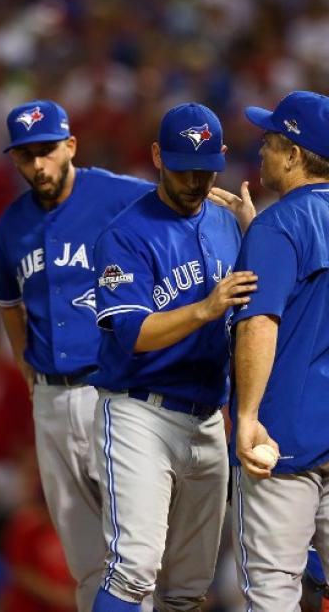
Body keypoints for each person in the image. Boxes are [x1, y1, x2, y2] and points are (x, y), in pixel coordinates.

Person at [228, 91, 329, 612]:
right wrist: (258, 233)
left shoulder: (278, 226)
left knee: (273, 587)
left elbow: (260, 323)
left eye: (271, 142)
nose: (262, 151)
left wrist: (248, 414)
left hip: (288, 429)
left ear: (295, 154)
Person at [89, 102, 256, 612]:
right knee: (134, 568)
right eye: (183, 168)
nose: (195, 181)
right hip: (142, 411)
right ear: (158, 155)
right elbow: (131, 333)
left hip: (208, 419)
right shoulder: (126, 233)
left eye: (206, 169)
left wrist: (257, 234)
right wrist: (205, 309)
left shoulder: (229, 222)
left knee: (187, 588)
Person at [0, 99, 153, 612]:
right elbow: (6, 302)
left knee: (132, 556)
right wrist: (25, 366)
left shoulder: (120, 195)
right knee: (83, 559)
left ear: (70, 146)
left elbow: (189, 218)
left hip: (115, 395)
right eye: (25, 156)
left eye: (47, 151)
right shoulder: (12, 223)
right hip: (51, 401)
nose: (37, 165)